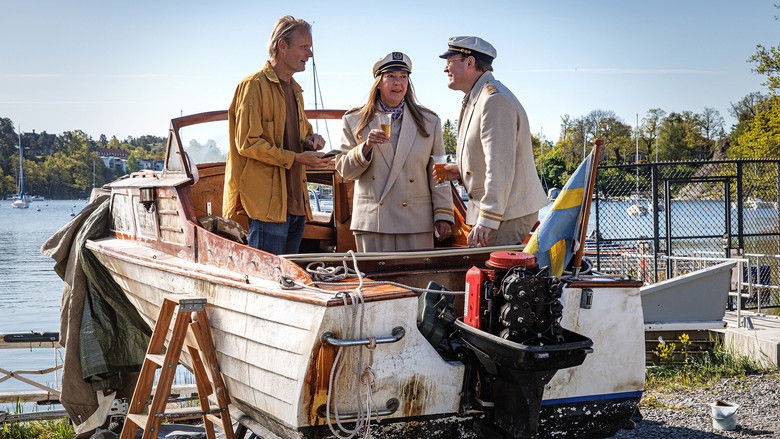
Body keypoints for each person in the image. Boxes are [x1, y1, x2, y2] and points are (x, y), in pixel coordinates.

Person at [222, 16, 330, 254]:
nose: (310, 54)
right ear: (282, 46)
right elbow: (248, 144)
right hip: (267, 206)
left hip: (296, 203)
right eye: (304, 47)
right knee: (268, 274)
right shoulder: (253, 86)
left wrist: (312, 140)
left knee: (289, 272)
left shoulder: (295, 90)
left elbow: (301, 133)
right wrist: (296, 158)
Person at [435, 36, 547, 247]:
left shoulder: (494, 100)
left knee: (490, 268)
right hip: (502, 213)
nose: (445, 68)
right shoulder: (480, 97)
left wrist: (487, 219)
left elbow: (500, 166)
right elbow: (492, 158)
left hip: (505, 215)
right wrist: (461, 171)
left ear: (469, 62)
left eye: (450, 61)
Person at [336, 52, 454, 252]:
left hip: (416, 222)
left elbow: (439, 173)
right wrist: (366, 147)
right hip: (373, 222)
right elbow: (345, 171)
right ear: (378, 83)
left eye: (403, 77)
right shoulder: (354, 120)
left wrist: (443, 215)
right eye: (391, 76)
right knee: (375, 275)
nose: (398, 82)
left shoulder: (429, 121)